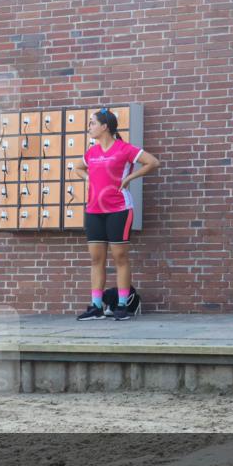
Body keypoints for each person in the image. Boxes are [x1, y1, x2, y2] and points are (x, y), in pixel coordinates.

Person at [75, 108, 160, 321]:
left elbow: (152, 162)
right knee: (96, 259)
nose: (90, 127)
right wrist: (86, 179)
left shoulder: (124, 149)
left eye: (92, 123)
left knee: (120, 258)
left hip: (119, 210)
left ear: (105, 126)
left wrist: (130, 178)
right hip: (94, 210)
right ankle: (96, 306)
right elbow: (78, 167)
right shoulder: (91, 152)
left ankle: (122, 304)